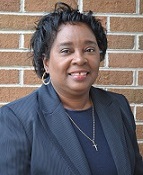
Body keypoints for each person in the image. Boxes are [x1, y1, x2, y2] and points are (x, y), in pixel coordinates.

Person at [0, 2, 142, 175]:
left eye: (89, 49)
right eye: (66, 51)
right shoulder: (17, 120)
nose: (80, 59)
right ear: (46, 62)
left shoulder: (118, 105)